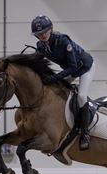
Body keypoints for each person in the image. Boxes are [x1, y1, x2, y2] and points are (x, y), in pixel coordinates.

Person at [31, 15, 95, 151]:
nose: (42, 35)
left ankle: (85, 133)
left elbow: (72, 67)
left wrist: (54, 78)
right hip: (71, 70)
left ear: (50, 29)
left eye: (44, 32)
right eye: (39, 34)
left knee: (82, 96)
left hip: (84, 67)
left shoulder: (63, 41)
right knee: (54, 90)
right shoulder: (41, 46)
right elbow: (36, 63)